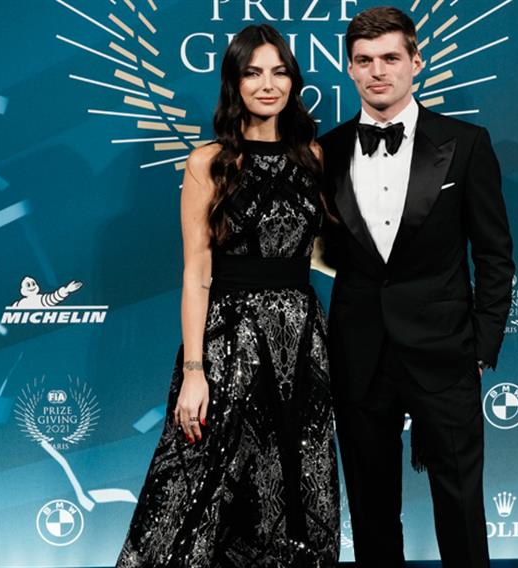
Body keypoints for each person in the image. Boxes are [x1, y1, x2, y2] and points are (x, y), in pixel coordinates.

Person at [117, 24, 339, 568]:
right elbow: (196, 271)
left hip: (302, 344)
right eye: (253, 73)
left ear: (293, 82)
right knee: (197, 486)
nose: (268, 85)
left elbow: (322, 253)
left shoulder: (313, 156)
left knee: (296, 484)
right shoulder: (209, 162)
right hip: (228, 343)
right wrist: (195, 371)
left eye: (279, 73)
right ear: (234, 83)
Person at [318, 6, 514, 568]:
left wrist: (481, 345)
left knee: (460, 504)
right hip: (359, 353)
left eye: (390, 58)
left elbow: (495, 254)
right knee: (371, 510)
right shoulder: (325, 151)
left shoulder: (466, 143)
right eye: (364, 60)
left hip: (445, 351)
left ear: (416, 62)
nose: (377, 71)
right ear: (349, 68)